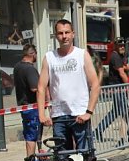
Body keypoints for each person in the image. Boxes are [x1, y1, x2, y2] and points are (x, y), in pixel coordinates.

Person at [37, 20, 101, 152]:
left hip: (79, 114)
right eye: (60, 33)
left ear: (73, 34)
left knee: (85, 157)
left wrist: (88, 112)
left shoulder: (82, 55)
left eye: (67, 32)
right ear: (56, 36)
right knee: (62, 159)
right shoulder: (49, 57)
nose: (64, 36)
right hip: (59, 115)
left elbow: (95, 85)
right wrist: (42, 115)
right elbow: (41, 88)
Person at [13, 44, 40, 161]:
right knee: (32, 133)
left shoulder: (17, 66)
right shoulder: (30, 69)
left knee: (30, 132)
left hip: (23, 105)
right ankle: (31, 159)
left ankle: (32, 157)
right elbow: (35, 88)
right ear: (32, 54)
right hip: (31, 105)